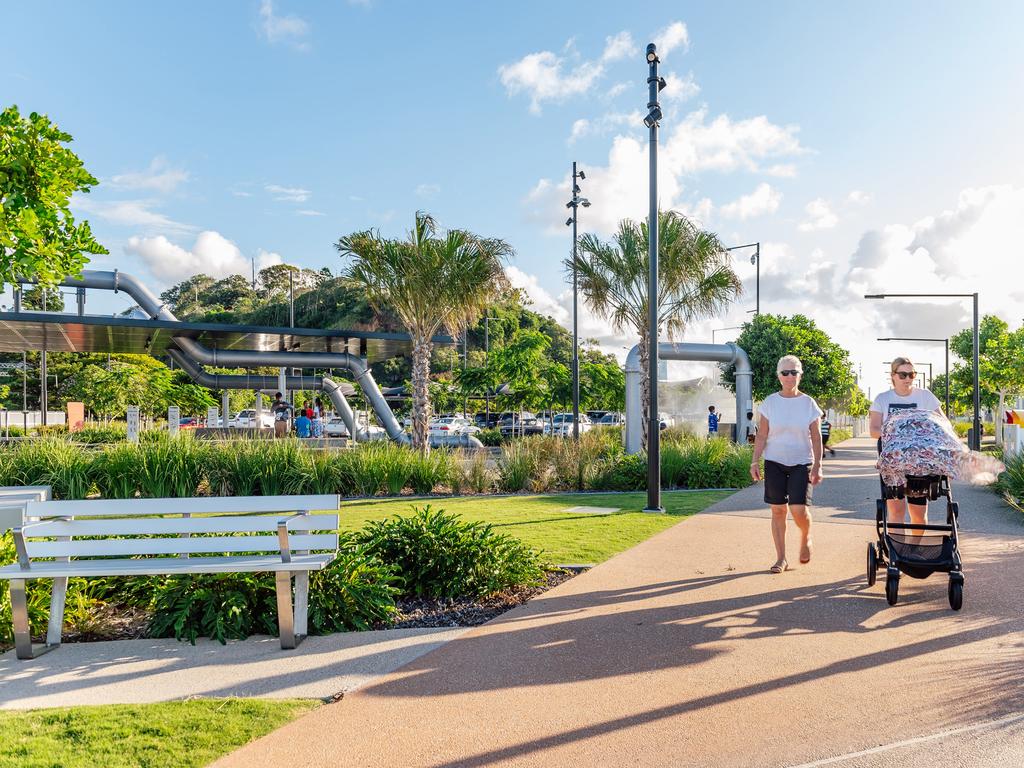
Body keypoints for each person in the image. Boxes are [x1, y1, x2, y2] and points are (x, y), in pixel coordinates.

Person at [750, 355, 824, 573]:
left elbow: (817, 437)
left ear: (800, 375)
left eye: (794, 372)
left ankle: (806, 536)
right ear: (778, 376)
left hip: (802, 462)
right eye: (785, 373)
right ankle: (781, 558)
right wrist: (755, 460)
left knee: (799, 510)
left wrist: (818, 465)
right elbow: (762, 435)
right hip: (774, 461)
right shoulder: (770, 403)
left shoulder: (808, 403)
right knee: (778, 511)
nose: (790, 377)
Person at [869, 356, 942, 527]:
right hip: (894, 463)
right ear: (893, 376)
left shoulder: (925, 396)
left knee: (918, 514)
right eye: (903, 375)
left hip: (919, 463)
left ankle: (915, 551)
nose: (908, 379)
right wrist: (899, 438)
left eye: (912, 374)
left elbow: (942, 423)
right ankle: (899, 551)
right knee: (896, 512)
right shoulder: (882, 399)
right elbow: (873, 430)